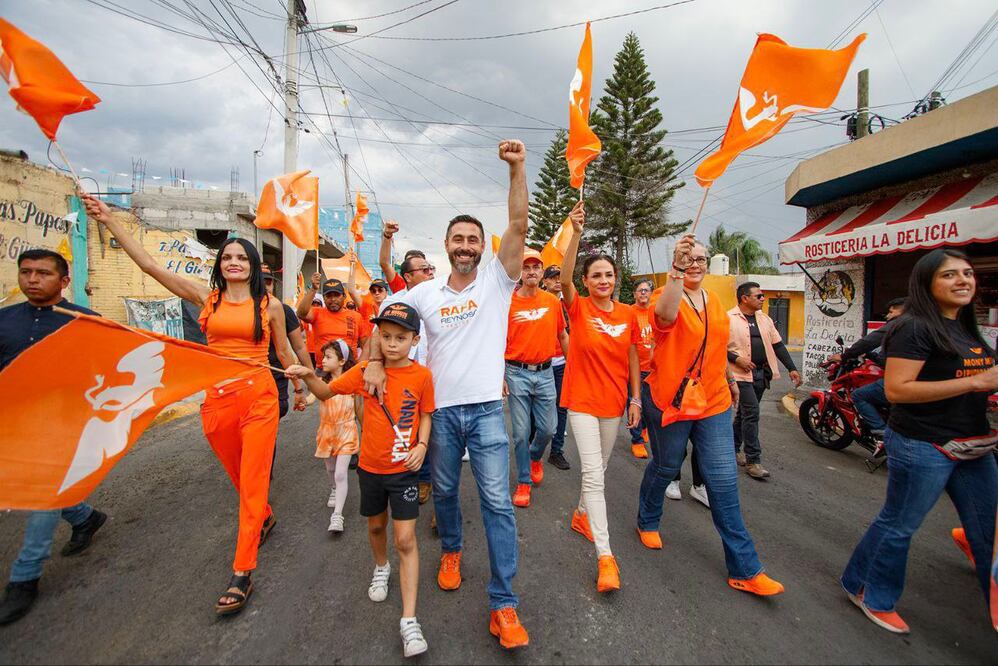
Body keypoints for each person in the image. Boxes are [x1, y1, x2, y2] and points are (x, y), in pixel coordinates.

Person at [82, 195, 297, 615]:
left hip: (260, 397)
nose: (234, 262)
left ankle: (242, 572)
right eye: (228, 256)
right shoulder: (206, 298)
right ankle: (264, 517)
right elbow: (149, 265)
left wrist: (304, 381)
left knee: (252, 483)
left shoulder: (268, 306)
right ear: (220, 265)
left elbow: (285, 354)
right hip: (217, 400)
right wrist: (109, 220)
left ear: (253, 267)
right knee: (238, 478)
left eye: (242, 257)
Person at [363, 140, 530, 649]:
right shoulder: (423, 294)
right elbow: (383, 320)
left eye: (472, 239)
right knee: (448, 495)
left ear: (483, 247)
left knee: (499, 503)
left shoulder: (499, 282)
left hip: (484, 412)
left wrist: (517, 169)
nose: (464, 245)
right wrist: (373, 358)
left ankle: (504, 605)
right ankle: (453, 549)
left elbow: (520, 225)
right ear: (446, 244)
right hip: (437, 416)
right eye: (457, 238)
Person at [841, 248, 997, 635]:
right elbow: (897, 390)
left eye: (967, 273)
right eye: (949, 275)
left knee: (988, 530)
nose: (962, 280)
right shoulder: (915, 328)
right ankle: (870, 593)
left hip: (974, 445)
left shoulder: (966, 327)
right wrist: (977, 382)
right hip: (924, 444)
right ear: (927, 284)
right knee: (899, 524)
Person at [636, 234, 785, 597]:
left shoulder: (715, 302)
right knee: (667, 465)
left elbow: (717, 348)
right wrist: (674, 269)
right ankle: (648, 518)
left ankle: (745, 568)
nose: (696, 264)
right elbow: (665, 317)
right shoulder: (664, 294)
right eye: (690, 258)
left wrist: (730, 379)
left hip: (713, 399)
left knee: (722, 480)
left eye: (701, 259)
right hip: (671, 399)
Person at [288, 302, 433, 657]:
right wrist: (306, 375)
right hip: (369, 469)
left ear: (415, 339)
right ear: (376, 338)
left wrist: (422, 446)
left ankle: (409, 621)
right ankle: (380, 567)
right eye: (386, 336)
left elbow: (427, 414)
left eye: (401, 337)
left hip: (404, 472)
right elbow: (324, 393)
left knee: (406, 540)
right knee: (375, 529)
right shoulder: (366, 371)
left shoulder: (422, 376)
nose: (393, 344)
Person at [0, 250, 109, 625]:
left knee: (45, 491)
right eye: (26, 272)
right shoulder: (4, 321)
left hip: (63, 421)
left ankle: (24, 578)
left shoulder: (86, 322)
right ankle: (85, 516)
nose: (32, 279)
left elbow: (108, 372)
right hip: (13, 421)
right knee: (29, 484)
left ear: (63, 281)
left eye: (43, 273)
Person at [558, 201, 641, 593]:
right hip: (581, 402)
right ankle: (606, 558)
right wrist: (574, 232)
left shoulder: (628, 314)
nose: (603, 280)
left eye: (608, 274)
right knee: (593, 475)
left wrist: (636, 399)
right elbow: (563, 279)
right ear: (587, 282)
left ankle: (579, 514)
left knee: (600, 470)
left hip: (613, 404)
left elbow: (633, 358)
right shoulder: (578, 308)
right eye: (596, 275)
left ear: (616, 279)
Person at [504, 248, 568, 508]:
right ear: (520, 271)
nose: (531, 271)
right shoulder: (507, 301)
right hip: (516, 372)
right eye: (526, 266)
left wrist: (573, 366)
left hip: (545, 373)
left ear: (542, 273)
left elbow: (563, 335)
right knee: (520, 432)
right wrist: (500, 375)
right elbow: (496, 339)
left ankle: (533, 457)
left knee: (548, 429)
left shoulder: (552, 302)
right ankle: (523, 481)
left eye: (536, 267)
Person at [378, 243, 437, 505]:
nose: (429, 273)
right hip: (405, 380)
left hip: (435, 376)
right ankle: (415, 479)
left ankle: (435, 486)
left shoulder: (440, 296)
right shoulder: (394, 303)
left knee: (437, 435)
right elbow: (378, 337)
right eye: (423, 270)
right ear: (408, 277)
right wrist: (372, 364)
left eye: (429, 268)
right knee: (410, 429)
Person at [727, 281, 802, 479]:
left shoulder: (765, 319)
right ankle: (753, 460)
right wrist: (737, 359)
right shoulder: (728, 318)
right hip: (739, 375)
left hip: (761, 374)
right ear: (744, 298)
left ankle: (733, 448)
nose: (762, 299)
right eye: (758, 296)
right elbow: (717, 346)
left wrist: (792, 368)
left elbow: (778, 345)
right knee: (752, 412)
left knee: (745, 414)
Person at [830, 297, 907, 436]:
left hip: (901, 380)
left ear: (901, 310)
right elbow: (889, 358)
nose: (888, 316)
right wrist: (871, 355)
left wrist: (844, 356)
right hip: (913, 378)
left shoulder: (900, 324)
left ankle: (881, 433)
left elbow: (867, 342)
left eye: (890, 312)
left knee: (859, 395)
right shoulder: (923, 324)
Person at [312, 340, 360, 533]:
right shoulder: (322, 383)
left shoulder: (352, 384)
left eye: (328, 357)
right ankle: (333, 488)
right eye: (324, 356)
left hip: (347, 431)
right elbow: (310, 398)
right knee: (331, 470)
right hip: (327, 432)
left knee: (341, 473)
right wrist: (301, 400)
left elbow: (360, 408)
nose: (323, 360)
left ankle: (337, 516)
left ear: (341, 361)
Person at [261, 265, 310, 419]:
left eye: (268, 282)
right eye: (259, 282)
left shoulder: (282, 310)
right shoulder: (241, 310)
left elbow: (298, 347)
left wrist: (310, 376)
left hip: (276, 375)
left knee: (270, 419)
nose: (264, 287)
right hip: (244, 378)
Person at [297, 273, 370, 361]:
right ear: (324, 298)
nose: (333, 299)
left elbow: (366, 347)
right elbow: (301, 313)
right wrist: (313, 289)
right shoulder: (317, 312)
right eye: (329, 296)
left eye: (337, 295)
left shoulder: (356, 316)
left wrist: (358, 366)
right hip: (323, 369)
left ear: (344, 296)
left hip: (349, 369)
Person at [540, 264, 571, 471]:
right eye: (553, 277)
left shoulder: (569, 302)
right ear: (546, 281)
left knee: (562, 408)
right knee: (538, 413)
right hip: (541, 365)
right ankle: (534, 450)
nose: (558, 280)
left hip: (562, 364)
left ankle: (556, 451)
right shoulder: (539, 301)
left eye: (561, 276)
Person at [629, 279, 655, 460]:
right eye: (640, 291)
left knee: (649, 404)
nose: (643, 293)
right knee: (634, 402)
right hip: (634, 368)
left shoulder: (656, 312)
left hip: (653, 367)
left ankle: (643, 426)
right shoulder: (629, 313)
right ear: (634, 294)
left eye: (646, 290)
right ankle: (637, 440)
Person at [380, 218, 426, 294]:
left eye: (421, 266)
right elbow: (384, 264)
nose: (413, 268)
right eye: (409, 265)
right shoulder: (400, 285)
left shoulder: (433, 289)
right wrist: (387, 235)